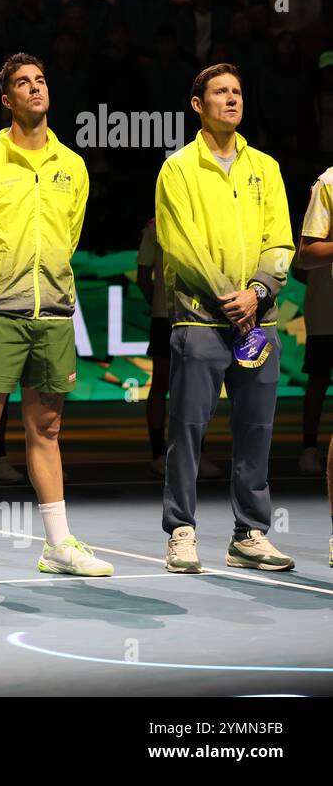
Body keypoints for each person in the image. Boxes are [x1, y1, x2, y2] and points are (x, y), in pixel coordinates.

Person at [0, 53, 115, 583]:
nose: (35, 88)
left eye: (41, 79)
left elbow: (70, 234)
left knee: (48, 427)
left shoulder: (73, 165)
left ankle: (58, 545)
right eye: (23, 82)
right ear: (6, 99)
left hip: (55, 314)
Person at [156, 63, 295, 574]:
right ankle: (182, 531)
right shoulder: (178, 169)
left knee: (255, 429)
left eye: (237, 91)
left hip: (260, 321)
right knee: (188, 429)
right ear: (198, 105)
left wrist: (257, 292)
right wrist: (228, 298)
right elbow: (180, 245)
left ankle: (250, 534)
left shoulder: (267, 168)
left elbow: (281, 241)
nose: (232, 99)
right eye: (220, 92)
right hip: (199, 321)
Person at [137, 216, 222, 480]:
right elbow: (143, 276)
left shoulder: (206, 219)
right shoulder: (155, 226)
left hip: (200, 315)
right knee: (161, 383)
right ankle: (159, 455)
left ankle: (197, 453)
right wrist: (161, 303)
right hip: (166, 317)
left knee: (196, 387)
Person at [295, 166, 333, 566]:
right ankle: (308, 447)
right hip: (326, 315)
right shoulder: (328, 184)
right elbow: (302, 259)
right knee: (319, 382)